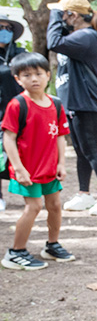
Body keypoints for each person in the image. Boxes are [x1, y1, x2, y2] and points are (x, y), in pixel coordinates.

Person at [46, 0, 97, 216]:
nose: (61, 18)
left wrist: (54, 18)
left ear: (73, 15)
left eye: (63, 14)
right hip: (77, 103)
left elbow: (53, 42)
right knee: (82, 151)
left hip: (88, 104)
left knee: (92, 150)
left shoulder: (87, 37)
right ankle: (84, 193)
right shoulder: (81, 36)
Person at [1, 52, 74, 270]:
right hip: (27, 170)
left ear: (48, 75)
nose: (34, 78)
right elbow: (9, 138)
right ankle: (16, 252)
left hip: (50, 168)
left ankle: (52, 245)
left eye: (38, 73)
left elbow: (60, 135)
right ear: (17, 79)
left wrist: (61, 163)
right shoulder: (17, 105)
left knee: (55, 205)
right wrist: (19, 168)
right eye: (27, 75)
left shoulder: (56, 104)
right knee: (33, 207)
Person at [0, 15, 28, 212]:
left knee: (21, 155)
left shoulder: (20, 55)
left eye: (8, 28)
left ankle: (30, 193)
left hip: (19, 113)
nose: (5, 31)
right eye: (1, 27)